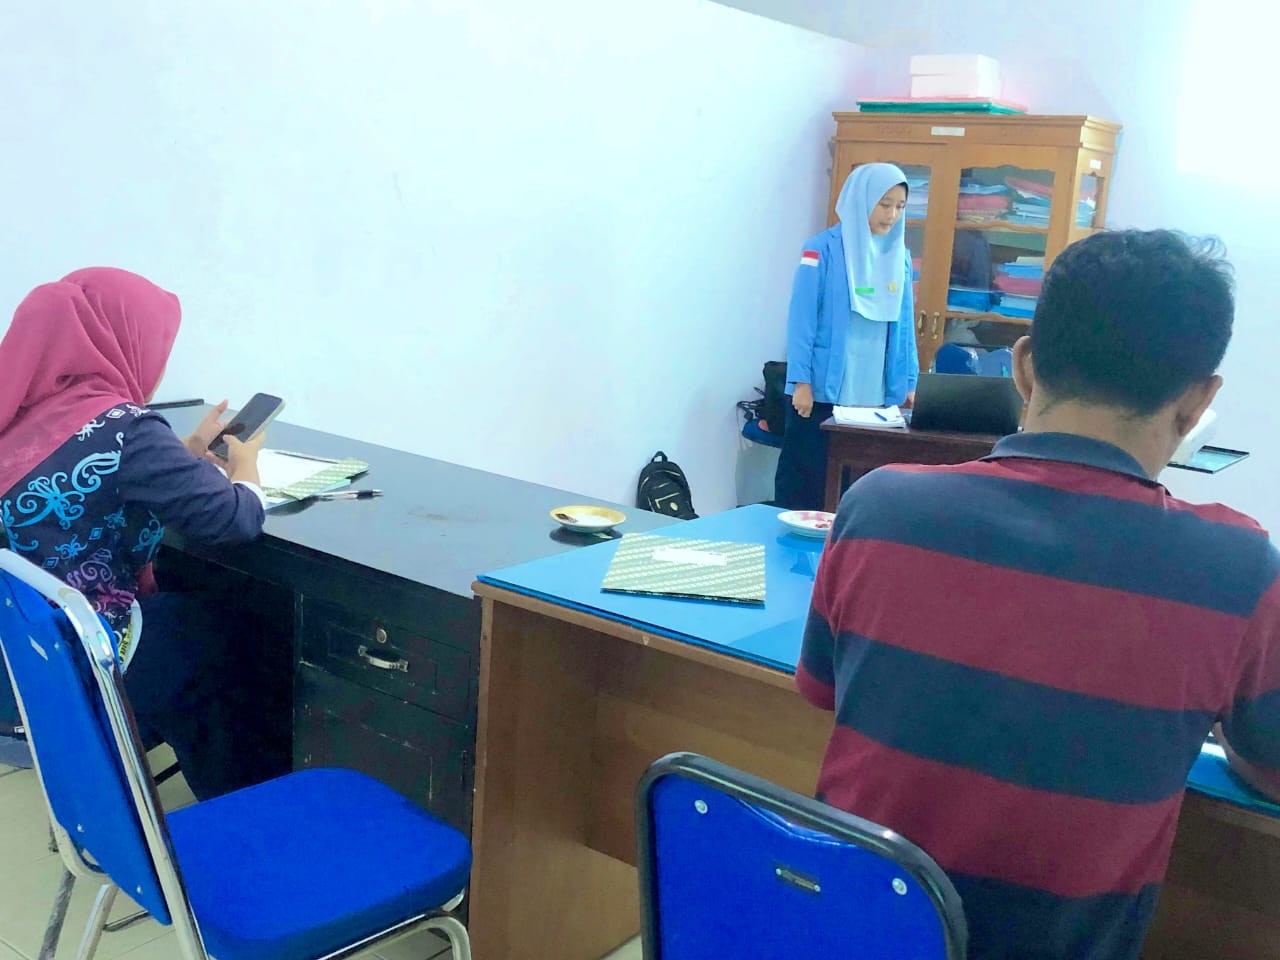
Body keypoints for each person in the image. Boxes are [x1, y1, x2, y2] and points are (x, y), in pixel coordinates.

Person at [796, 230, 1280, 959]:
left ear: (1023, 367)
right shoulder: (1238, 569)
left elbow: (823, 688)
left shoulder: (878, 505)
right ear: (1197, 402)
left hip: (845, 935)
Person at [0, 267, 280, 799]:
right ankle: (247, 805)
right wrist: (246, 467)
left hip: (19, 664)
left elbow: (83, 487)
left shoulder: (16, 410)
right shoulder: (123, 428)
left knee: (185, 627)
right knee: (229, 638)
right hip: (85, 663)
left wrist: (184, 455)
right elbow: (234, 520)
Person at [774, 163, 920, 510]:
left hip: (875, 400)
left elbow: (905, 326)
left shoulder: (900, 257)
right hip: (823, 392)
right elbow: (802, 320)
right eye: (884, 204)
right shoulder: (820, 249)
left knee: (858, 492)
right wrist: (801, 381)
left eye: (900, 206)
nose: (892, 215)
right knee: (808, 486)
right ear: (861, 200)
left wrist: (910, 381)